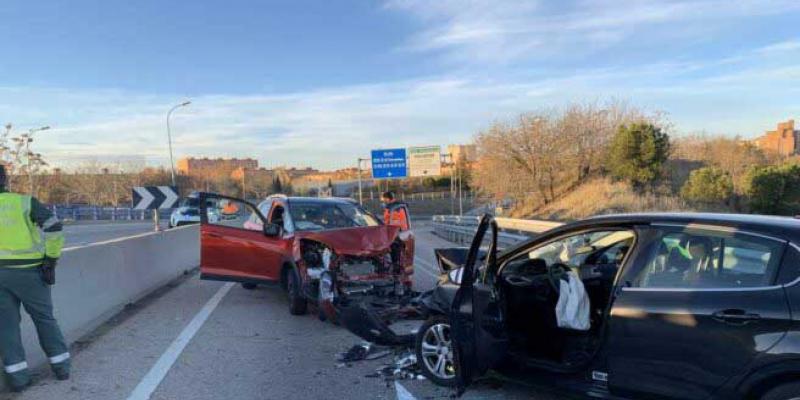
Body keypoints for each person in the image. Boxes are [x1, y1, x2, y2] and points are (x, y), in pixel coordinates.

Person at [0, 164, 68, 392]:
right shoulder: (24, 202)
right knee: (44, 319)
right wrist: (51, 259)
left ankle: (18, 381)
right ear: (5, 180)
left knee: (6, 327)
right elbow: (54, 226)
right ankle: (61, 368)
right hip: (29, 272)